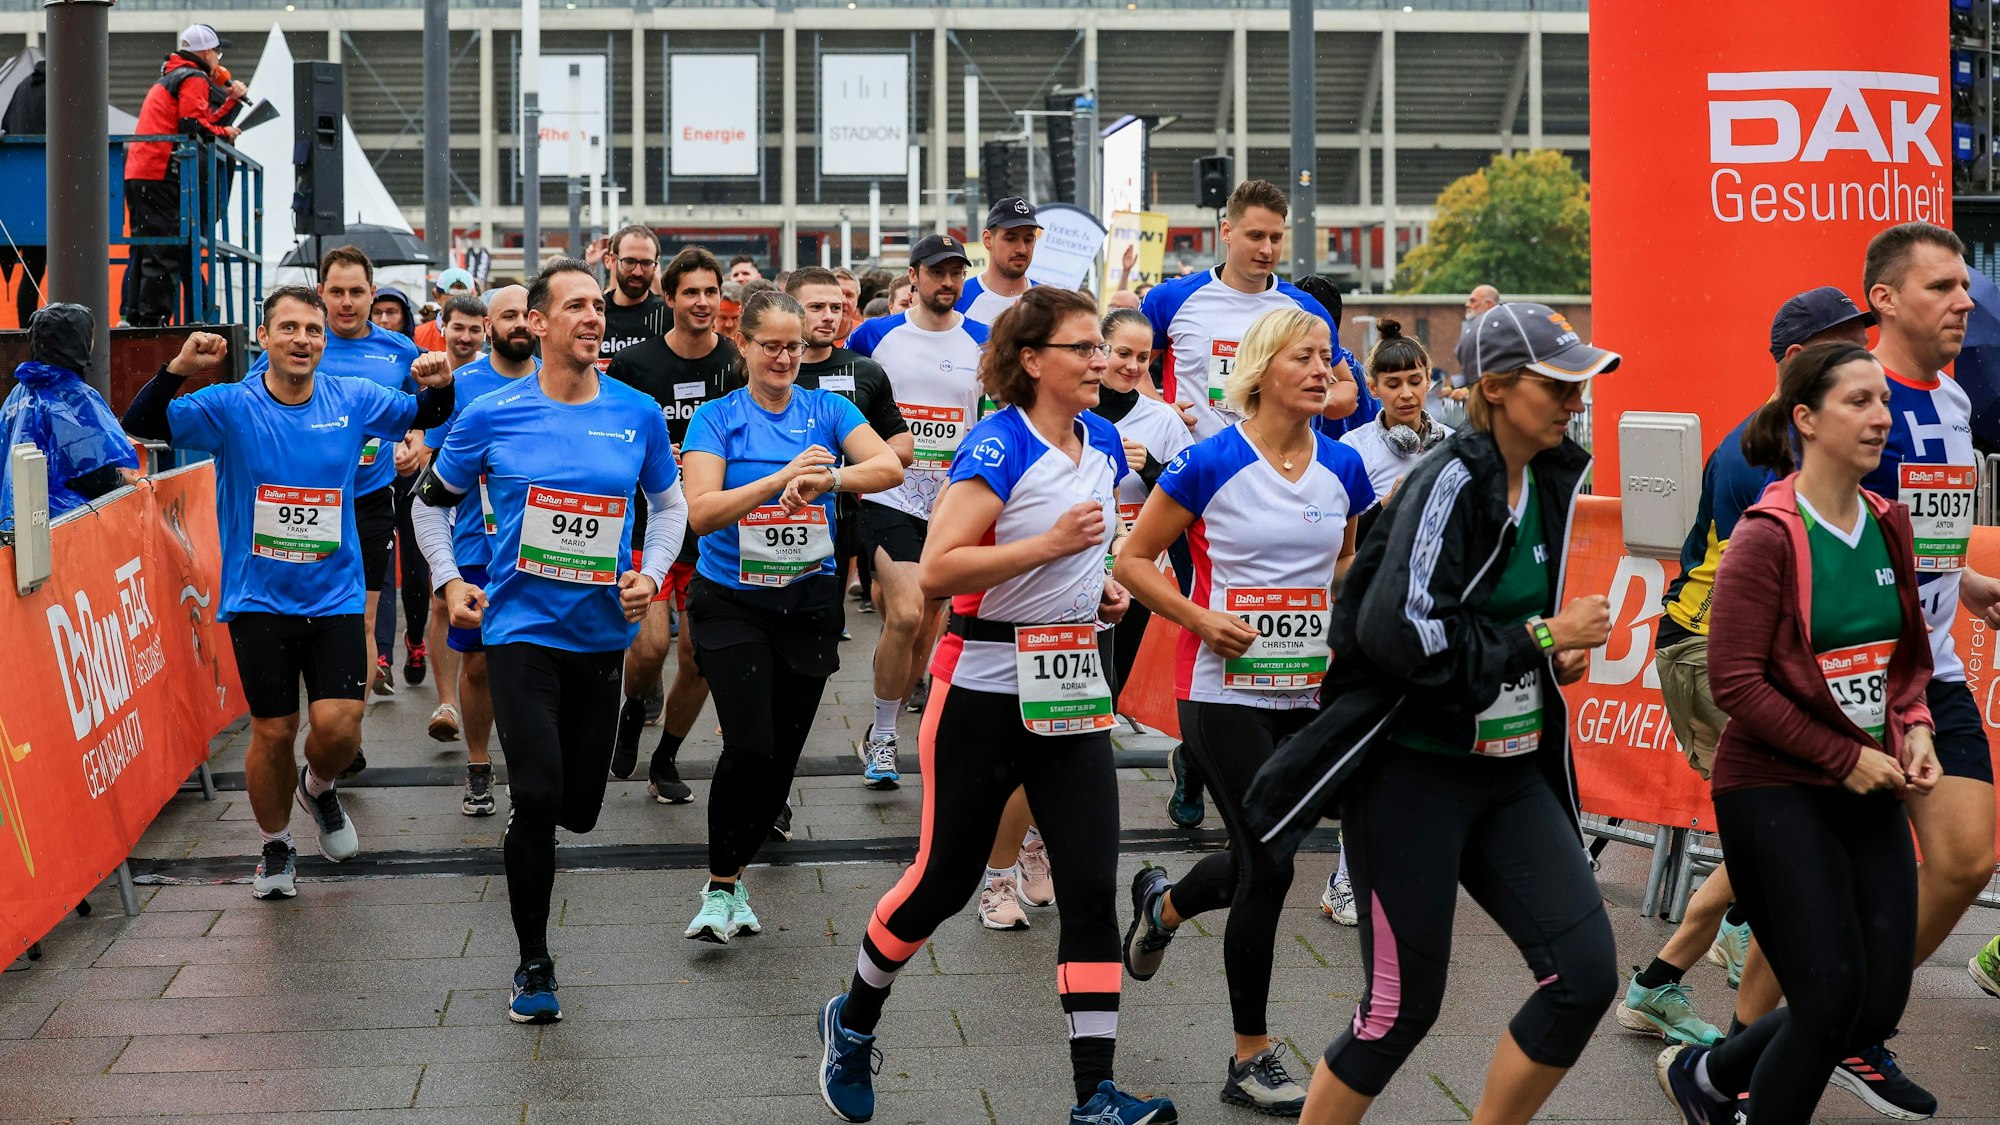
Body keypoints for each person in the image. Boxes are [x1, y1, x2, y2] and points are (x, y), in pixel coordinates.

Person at [1242, 303, 1623, 1125]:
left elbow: (1506, 624)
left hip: (1511, 773)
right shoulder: (1449, 478)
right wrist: (1541, 636)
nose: (1573, 399)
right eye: (1556, 384)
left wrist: (1552, 653)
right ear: (1493, 388)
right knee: (1399, 1012)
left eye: (1578, 384)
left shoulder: (1554, 475)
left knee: (1585, 977)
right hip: (1411, 775)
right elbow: (1403, 637)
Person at [815, 287, 1174, 1125]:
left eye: (1102, 349)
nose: (1100, 362)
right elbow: (936, 569)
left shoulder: (1103, 440)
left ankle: (1096, 1095)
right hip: (979, 691)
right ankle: (854, 1018)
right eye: (1083, 348)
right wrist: (1048, 548)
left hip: (1072, 688)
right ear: (1031, 360)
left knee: (1090, 885)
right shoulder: (997, 443)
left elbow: (1091, 545)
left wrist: (1102, 588)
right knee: (941, 883)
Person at [1656, 342, 1939, 1125]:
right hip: (1775, 787)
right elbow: (1736, 680)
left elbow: (1903, 661)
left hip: (1866, 782)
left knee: (1874, 1004)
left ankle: (1709, 1073)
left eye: (1883, 400)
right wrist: (1844, 755)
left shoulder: (1888, 522)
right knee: (1826, 1000)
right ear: (1806, 419)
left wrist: (1912, 726)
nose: (1881, 416)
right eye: (1859, 401)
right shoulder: (1767, 533)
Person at [413, 258, 686, 1023]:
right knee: (534, 795)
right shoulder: (491, 412)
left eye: (598, 306)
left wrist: (652, 573)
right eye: (575, 306)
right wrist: (448, 581)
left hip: (601, 636)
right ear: (537, 323)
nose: (594, 317)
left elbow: (670, 506)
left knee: (581, 809)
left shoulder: (634, 411)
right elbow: (428, 505)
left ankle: (544, 817)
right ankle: (534, 962)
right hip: (518, 631)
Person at [1117, 306, 1372, 1116]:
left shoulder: (1344, 468)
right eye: (1305, 356)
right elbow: (1133, 559)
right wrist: (1199, 617)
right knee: (1269, 863)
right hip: (1221, 691)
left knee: (1269, 853)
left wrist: (1340, 626)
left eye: (1328, 357)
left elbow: (1345, 561)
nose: (1322, 368)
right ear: (1261, 369)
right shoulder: (1208, 461)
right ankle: (1250, 1056)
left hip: (1306, 691)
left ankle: (1163, 903)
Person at [121, 289, 455, 898]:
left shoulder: (350, 398)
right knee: (274, 732)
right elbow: (139, 426)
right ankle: (275, 848)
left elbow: (425, 416)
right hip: (259, 600)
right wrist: (179, 367)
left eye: (314, 331)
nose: (304, 340)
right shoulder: (231, 404)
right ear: (265, 337)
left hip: (334, 597)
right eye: (290, 329)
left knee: (341, 727)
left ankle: (319, 789)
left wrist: (438, 384)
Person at [1620, 286, 1873, 1051]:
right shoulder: (1764, 451)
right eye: (1844, 350)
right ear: (1798, 363)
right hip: (1715, 656)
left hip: (1737, 655)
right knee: (1791, 829)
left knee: (1782, 834)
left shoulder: (1806, 442)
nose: (1864, 362)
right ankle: (1718, 1017)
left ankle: (1675, 977)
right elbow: (1782, 588)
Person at [676, 290, 902, 943]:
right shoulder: (717, 419)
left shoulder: (827, 408)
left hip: (807, 603)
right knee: (748, 743)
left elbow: (889, 463)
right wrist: (778, 480)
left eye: (792, 347)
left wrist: (831, 480)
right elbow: (703, 511)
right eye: (769, 345)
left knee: (778, 762)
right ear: (742, 343)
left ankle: (735, 872)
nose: (781, 357)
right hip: (732, 603)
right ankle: (721, 886)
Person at [1306, 317, 1453, 928]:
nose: (1405, 393)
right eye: (1391, 383)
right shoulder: (1353, 454)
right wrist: (1386, 515)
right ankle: (1346, 876)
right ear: (1372, 387)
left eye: (1415, 380)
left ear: (1429, 380)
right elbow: (1342, 549)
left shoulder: (1454, 445)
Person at [249, 247, 427, 751]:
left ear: (374, 294)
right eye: (336, 292)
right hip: (301, 505)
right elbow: (250, 409)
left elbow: (424, 412)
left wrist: (415, 442)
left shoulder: (399, 352)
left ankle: (349, 738)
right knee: (300, 620)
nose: (346, 303)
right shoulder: (289, 348)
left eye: (356, 292)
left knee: (363, 620)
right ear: (321, 294)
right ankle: (307, 718)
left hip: (368, 501)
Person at [845, 234, 989, 789]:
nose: (948, 282)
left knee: (928, 621)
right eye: (937, 273)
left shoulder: (982, 339)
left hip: (952, 501)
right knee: (905, 613)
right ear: (914, 278)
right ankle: (884, 735)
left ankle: (890, 727)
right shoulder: (877, 335)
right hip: (889, 492)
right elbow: (838, 382)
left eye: (956, 273)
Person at [606, 246, 740, 803]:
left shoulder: (735, 361)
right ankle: (634, 708)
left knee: (700, 659)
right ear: (670, 298)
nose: (703, 302)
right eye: (691, 292)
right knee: (652, 645)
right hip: (650, 525)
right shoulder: (636, 365)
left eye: (711, 291)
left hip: (712, 530)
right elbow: (612, 439)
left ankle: (667, 758)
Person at [419, 285, 536, 815]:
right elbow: (437, 469)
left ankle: (530, 765)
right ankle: (479, 763)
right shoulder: (462, 385)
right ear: (487, 326)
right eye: (504, 315)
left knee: (535, 660)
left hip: (544, 545)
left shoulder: (557, 382)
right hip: (477, 544)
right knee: (482, 664)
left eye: (523, 315)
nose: (517, 324)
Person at [1142, 180, 1369, 442]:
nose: (1266, 249)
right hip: (1195, 466)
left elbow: (1347, 389)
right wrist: (1160, 409)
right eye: (1256, 236)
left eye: (1276, 238)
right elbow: (1127, 369)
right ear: (1226, 231)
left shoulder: (1305, 309)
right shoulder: (1170, 298)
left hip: (1277, 469)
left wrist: (1313, 396)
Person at [787, 266, 914, 654]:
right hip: (762, 517)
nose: (829, 316)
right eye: (816, 307)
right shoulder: (763, 368)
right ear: (790, 309)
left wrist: (846, 468)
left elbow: (904, 447)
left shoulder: (863, 370)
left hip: (837, 521)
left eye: (836, 307)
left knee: (819, 640)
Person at [400, 293, 490, 743]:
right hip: (446, 501)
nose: (467, 336)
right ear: (443, 327)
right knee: (442, 601)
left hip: (489, 508)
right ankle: (447, 701)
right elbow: (429, 445)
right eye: (459, 327)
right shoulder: (445, 381)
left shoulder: (500, 377)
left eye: (476, 329)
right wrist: (416, 449)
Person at [1095, 308, 1193, 697]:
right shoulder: (1071, 410)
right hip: (1081, 555)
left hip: (1140, 560)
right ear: (1100, 349)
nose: (1133, 366)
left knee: (1121, 673)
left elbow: (1189, 497)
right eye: (1122, 353)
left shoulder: (1162, 419)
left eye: (1142, 357)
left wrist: (1151, 469)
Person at [123, 24, 244, 327]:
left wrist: (231, 103)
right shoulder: (194, 77)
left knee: (145, 246)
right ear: (206, 52)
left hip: (140, 169)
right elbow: (193, 125)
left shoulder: (172, 75)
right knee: (164, 250)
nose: (219, 59)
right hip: (161, 170)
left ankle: (135, 317)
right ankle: (154, 323)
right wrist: (225, 131)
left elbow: (197, 120)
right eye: (217, 52)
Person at [0, 304, 142, 530]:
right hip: (64, 530)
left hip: (12, 527)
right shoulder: (74, 398)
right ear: (79, 342)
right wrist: (125, 482)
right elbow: (92, 473)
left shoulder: (15, 397)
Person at [2, 58, 48, 330]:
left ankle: (23, 332)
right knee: (36, 268)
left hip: (21, 195)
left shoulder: (21, 87)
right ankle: (32, 333)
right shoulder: (64, 86)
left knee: (31, 271)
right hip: (49, 192)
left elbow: (7, 126)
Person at [956, 197, 1040, 323]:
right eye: (1010, 239)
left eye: (1028, 240)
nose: (1022, 249)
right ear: (987, 240)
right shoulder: (959, 298)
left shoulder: (1047, 302)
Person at [599, 225, 669, 368]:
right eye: (629, 262)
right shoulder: (595, 315)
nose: (637, 272)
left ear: (656, 265)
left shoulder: (668, 316)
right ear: (613, 260)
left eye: (646, 263)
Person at [410, 269, 477, 351]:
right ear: (437, 297)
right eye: (453, 301)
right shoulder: (418, 335)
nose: (460, 308)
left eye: (465, 300)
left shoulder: (482, 335)